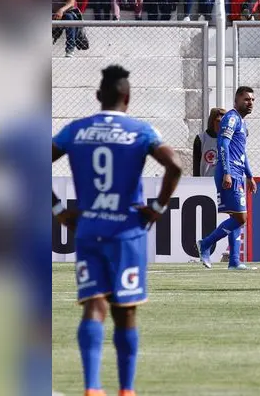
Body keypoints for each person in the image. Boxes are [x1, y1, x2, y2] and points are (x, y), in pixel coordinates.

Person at [51, 65, 182, 396]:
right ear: (128, 96)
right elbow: (175, 165)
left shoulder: (75, 130)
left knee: (94, 305)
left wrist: (57, 210)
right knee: (126, 312)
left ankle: (92, 388)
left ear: (98, 96)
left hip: (88, 228)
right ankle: (126, 389)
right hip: (126, 232)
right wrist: (158, 208)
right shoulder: (141, 131)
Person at [197, 86, 256, 271]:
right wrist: (227, 172)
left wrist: (250, 175)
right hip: (229, 173)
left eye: (252, 100)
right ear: (236, 100)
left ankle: (234, 261)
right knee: (241, 218)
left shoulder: (242, 123)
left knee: (236, 217)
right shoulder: (231, 118)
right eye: (246, 99)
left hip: (238, 173)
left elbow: (242, 153)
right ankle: (205, 244)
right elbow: (223, 143)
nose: (250, 103)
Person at [194, 108, 228, 177]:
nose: (221, 124)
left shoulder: (229, 138)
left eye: (224, 121)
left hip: (225, 180)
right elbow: (196, 164)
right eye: (218, 121)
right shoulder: (201, 139)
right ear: (212, 121)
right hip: (206, 180)